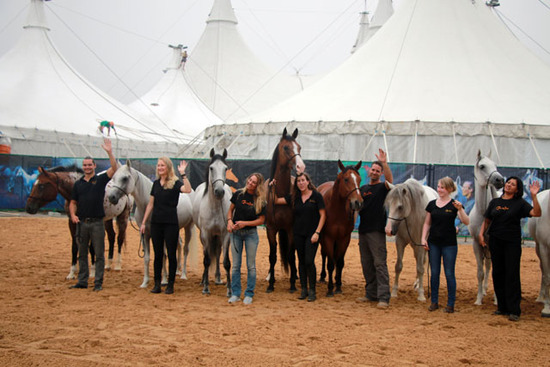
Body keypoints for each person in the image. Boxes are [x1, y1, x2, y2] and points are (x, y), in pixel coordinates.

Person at [479, 177, 541, 321]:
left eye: (513, 184)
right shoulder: (495, 202)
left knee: (511, 274)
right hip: (495, 241)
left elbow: (536, 213)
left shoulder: (519, 203)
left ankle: (514, 310)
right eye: (508, 182)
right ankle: (502, 307)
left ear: (517, 189)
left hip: (511, 243)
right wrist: (481, 234)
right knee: (498, 273)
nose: (509, 185)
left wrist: (534, 196)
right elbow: (487, 220)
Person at [69, 138, 118, 291]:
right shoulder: (78, 184)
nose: (87, 167)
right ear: (82, 167)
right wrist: (73, 215)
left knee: (99, 254)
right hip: (82, 223)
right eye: (85, 165)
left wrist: (109, 152)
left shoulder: (101, 179)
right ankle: (82, 281)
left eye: (90, 165)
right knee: (82, 253)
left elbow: (114, 168)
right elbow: (73, 202)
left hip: (97, 223)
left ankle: (98, 283)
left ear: (94, 166)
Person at [140, 157, 192, 294]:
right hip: (156, 223)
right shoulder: (156, 184)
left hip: (171, 224)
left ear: (168, 167)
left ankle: (170, 285)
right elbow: (151, 204)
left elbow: (188, 190)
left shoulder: (175, 183)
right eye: (158, 165)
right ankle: (157, 284)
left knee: (171, 253)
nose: (160, 168)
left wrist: (183, 174)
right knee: (158, 255)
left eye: (162, 165)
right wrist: (144, 222)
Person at [273, 172, 326, 302]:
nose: (301, 183)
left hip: (312, 235)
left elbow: (323, 215)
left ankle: (312, 290)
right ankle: (304, 289)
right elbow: (276, 200)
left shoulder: (316, 196)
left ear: (308, 181)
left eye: (303, 180)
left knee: (309, 261)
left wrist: (317, 232)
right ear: (296, 184)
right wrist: (273, 187)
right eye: (298, 181)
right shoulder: (294, 197)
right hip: (298, 234)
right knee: (301, 262)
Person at [421, 177, 470, 313]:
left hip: (449, 244)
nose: (439, 189)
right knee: (434, 273)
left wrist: (460, 210)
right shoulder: (431, 204)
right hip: (434, 243)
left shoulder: (455, 204)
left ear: (449, 189)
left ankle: (450, 304)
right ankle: (434, 302)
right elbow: (427, 223)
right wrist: (423, 238)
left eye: (442, 187)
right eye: (438, 186)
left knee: (449, 273)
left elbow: (466, 221)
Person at [357, 149, 393, 309]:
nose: (375, 172)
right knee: (366, 264)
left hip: (376, 231)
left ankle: (384, 297)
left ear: (380, 173)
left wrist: (384, 164)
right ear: (369, 171)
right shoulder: (363, 189)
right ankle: (370, 293)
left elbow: (391, 180)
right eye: (373, 170)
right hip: (363, 231)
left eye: (378, 171)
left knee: (379, 264)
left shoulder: (383, 187)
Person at [227, 173, 266, 305]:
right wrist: (229, 222)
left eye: (254, 182)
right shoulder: (238, 194)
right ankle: (236, 293)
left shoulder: (260, 200)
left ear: (257, 185)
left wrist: (245, 223)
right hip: (236, 233)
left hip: (250, 234)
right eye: (250, 180)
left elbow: (261, 220)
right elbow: (230, 210)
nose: (250, 183)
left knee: (251, 266)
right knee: (236, 266)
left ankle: (249, 293)